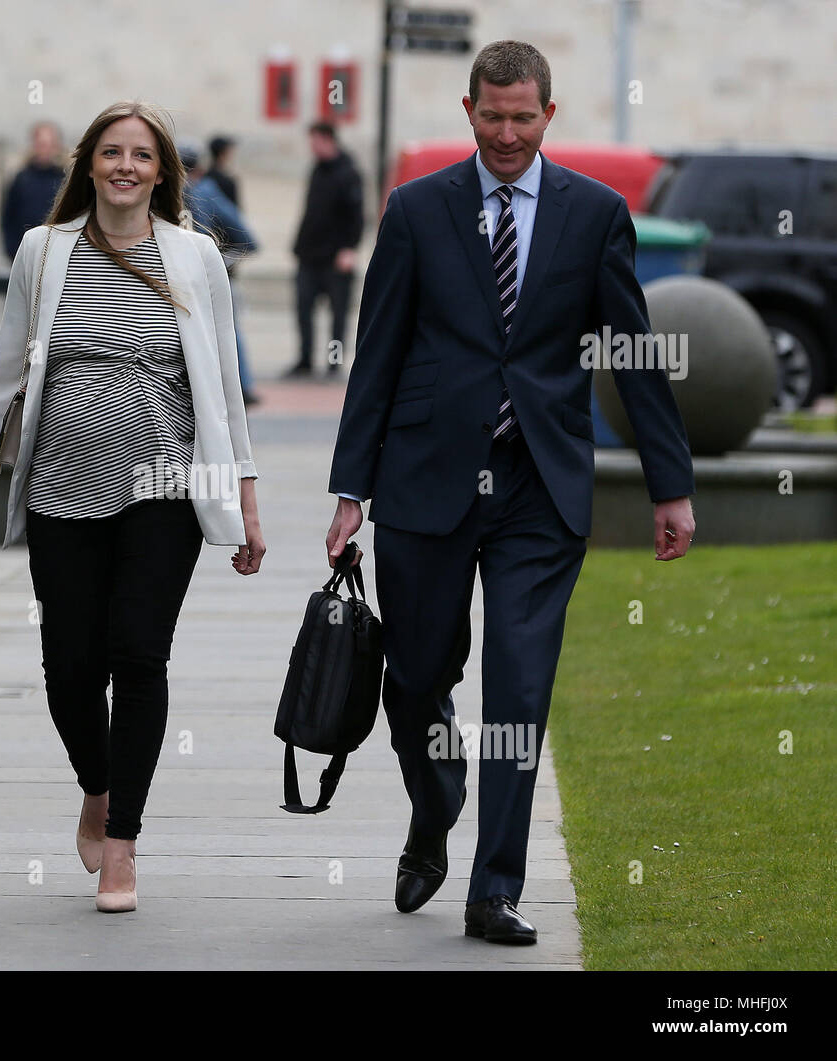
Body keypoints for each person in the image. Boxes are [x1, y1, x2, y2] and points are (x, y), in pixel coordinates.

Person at [325, 40, 695, 945]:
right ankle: (437, 797)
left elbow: (632, 353)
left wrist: (669, 484)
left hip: (541, 483)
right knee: (413, 682)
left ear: (548, 115)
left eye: (522, 117)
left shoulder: (596, 214)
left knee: (519, 691)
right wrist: (350, 491)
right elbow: (375, 355)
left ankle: (494, 886)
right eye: (491, 116)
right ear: (469, 110)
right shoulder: (415, 211)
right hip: (425, 479)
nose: (506, 133)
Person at [0, 100, 265, 913]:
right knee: (70, 668)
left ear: (163, 172)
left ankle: (123, 846)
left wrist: (245, 496)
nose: (126, 166)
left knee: (138, 655)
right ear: (89, 165)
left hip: (164, 488)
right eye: (112, 152)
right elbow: (5, 372)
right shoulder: (44, 251)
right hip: (62, 486)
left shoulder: (196, 256)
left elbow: (222, 393)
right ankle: (97, 788)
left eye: (142, 154)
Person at [181, 138, 260, 404]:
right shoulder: (205, 188)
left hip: (199, 281)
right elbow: (248, 239)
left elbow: (248, 240)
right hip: (198, 279)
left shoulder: (202, 191)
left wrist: (216, 261)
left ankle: (241, 388)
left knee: (225, 331)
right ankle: (240, 388)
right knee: (226, 332)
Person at [289, 120, 363, 378]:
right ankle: (305, 360)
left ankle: (334, 362)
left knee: (338, 313)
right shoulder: (317, 169)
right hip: (309, 254)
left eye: (315, 142)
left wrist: (349, 249)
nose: (312, 147)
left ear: (327, 140)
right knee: (303, 309)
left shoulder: (349, 172)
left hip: (335, 257)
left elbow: (357, 215)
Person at [0, 120, 66, 259]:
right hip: (24, 252)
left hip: (56, 253)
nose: (44, 150)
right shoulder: (21, 179)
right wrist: (12, 250)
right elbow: (8, 217)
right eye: (41, 145)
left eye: (49, 145)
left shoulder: (64, 179)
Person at [205, 135, 241, 210]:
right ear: (222, 154)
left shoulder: (203, 176)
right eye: (229, 151)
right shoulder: (228, 182)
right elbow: (234, 214)